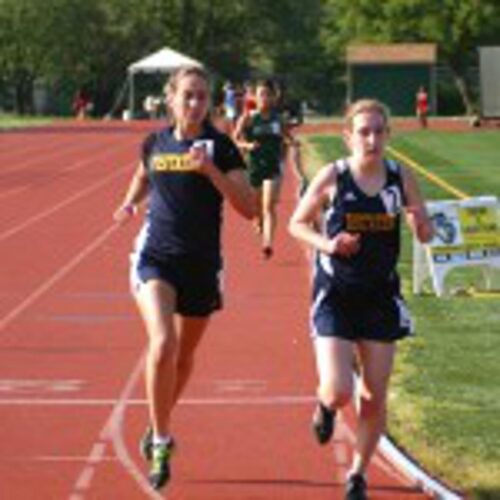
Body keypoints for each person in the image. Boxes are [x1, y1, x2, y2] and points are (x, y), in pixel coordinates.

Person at [113, 65, 255, 491]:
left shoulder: (223, 148)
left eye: (201, 96)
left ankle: (158, 421)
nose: (195, 104)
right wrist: (129, 206)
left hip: (201, 265)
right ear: (170, 99)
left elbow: (249, 208)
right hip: (155, 256)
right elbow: (142, 177)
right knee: (162, 345)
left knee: (184, 357)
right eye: (187, 95)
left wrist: (210, 170)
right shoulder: (154, 142)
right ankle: (161, 440)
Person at [288, 99, 433, 500]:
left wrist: (421, 223)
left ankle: (357, 474)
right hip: (336, 293)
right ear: (348, 136)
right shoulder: (333, 177)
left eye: (378, 131)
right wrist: (329, 244)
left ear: (388, 135)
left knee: (374, 394)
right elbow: (296, 224)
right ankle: (326, 407)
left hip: (380, 296)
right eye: (363, 132)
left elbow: (425, 233)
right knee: (338, 389)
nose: (371, 139)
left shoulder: (400, 177)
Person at [234, 79, 298, 258]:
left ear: (273, 97)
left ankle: (267, 244)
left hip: (272, 167)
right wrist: (247, 146)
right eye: (261, 94)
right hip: (254, 167)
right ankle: (258, 219)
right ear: (255, 96)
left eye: (268, 94)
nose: (265, 98)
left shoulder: (278, 119)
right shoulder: (248, 118)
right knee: (257, 207)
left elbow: (286, 136)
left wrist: (292, 143)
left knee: (269, 206)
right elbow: (235, 140)